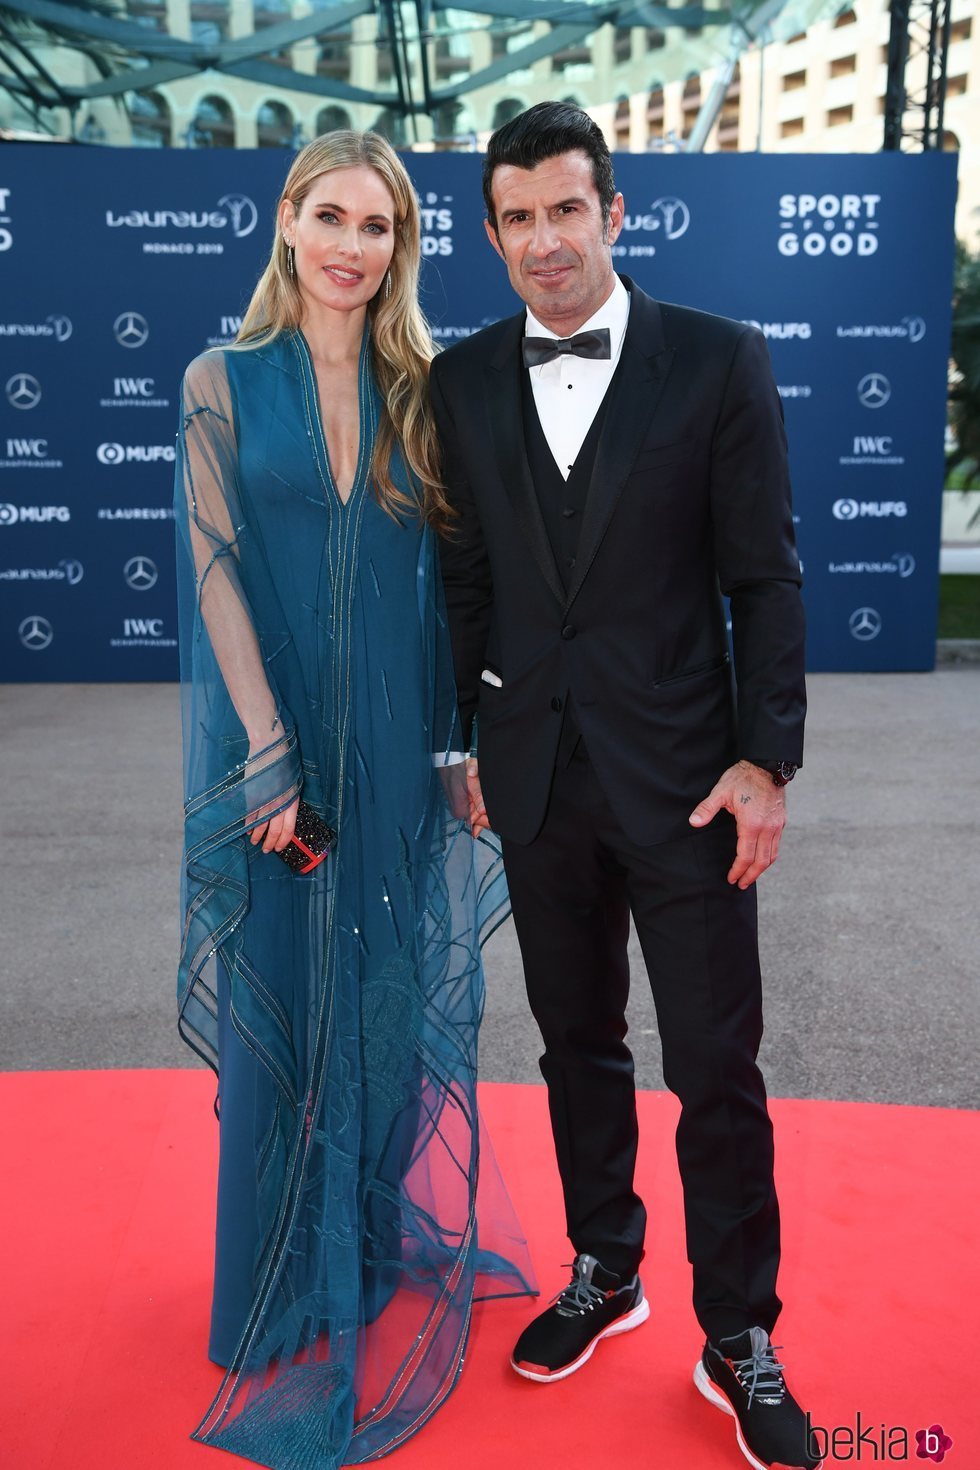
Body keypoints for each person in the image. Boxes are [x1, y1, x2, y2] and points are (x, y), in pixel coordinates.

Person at [429, 102, 818, 1470]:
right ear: (489, 232)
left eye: (566, 210)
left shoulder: (717, 360)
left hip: (689, 783)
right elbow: (467, 584)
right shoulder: (462, 382)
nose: (544, 239)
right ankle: (608, 1262)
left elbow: (765, 577)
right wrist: (460, 747)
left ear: (615, 213)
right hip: (534, 778)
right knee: (574, 1042)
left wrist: (766, 760)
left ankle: (740, 1331)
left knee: (716, 1061)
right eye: (517, 217)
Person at [174, 131, 532, 1470]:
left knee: (384, 1008)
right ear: (286, 223)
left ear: (400, 248)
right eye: (331, 216)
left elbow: (458, 585)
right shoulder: (222, 380)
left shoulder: (425, 389)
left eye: (376, 226)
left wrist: (460, 748)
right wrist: (267, 750)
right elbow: (213, 567)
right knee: (288, 1003)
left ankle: (367, 1257)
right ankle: (270, 1288)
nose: (350, 245)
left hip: (397, 748)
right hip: (280, 746)